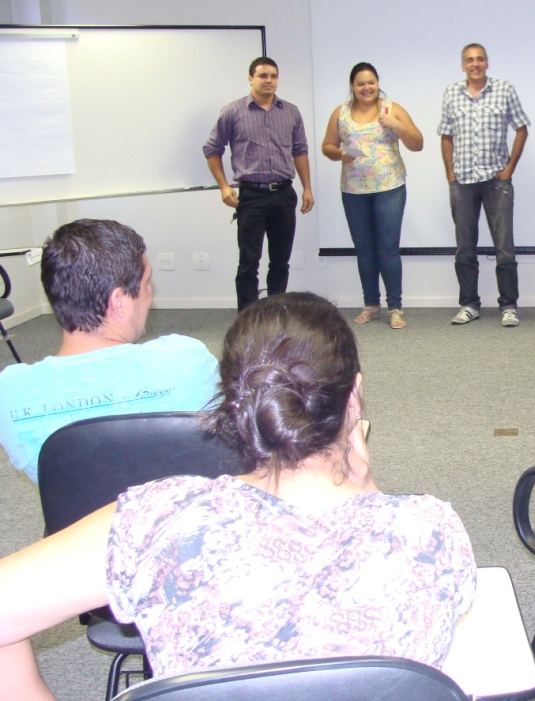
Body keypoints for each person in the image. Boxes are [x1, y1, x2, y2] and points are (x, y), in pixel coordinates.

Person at [0, 292, 477, 697]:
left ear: (232, 403)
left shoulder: (155, 518)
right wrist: (368, 491)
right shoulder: (431, 530)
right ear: (353, 398)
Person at [0, 219, 218, 484]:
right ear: (119, 302)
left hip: (78, 524)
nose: (150, 294)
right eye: (147, 283)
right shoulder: (187, 359)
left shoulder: (9, 394)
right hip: (178, 519)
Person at [204, 56, 315, 312]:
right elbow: (212, 149)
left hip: (284, 193)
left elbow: (300, 150)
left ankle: (275, 315)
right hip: (251, 196)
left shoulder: (291, 112)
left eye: (273, 76)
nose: (269, 81)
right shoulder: (233, 112)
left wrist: (307, 187)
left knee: (280, 262)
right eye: (263, 75)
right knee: (248, 263)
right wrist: (223, 186)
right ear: (251, 78)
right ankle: (247, 317)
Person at [322, 62, 424, 330]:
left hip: (390, 188)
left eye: (371, 82)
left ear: (378, 82)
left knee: (388, 249)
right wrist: (339, 153)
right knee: (364, 250)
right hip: (354, 191)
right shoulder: (341, 112)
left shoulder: (391, 108)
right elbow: (327, 146)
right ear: (352, 87)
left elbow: (418, 143)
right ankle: (370, 304)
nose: (367, 87)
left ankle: (395, 307)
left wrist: (397, 126)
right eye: (360, 83)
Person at [438, 43, 530, 328]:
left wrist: (510, 168)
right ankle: (469, 304)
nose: (475, 64)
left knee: (505, 247)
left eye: (480, 59)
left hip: (495, 181)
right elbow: (445, 135)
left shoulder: (504, 89)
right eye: (469, 60)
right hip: (462, 182)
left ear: (487, 63)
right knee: (465, 248)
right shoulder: (452, 93)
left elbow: (522, 128)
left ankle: (509, 305)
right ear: (463, 65)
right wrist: (450, 174)